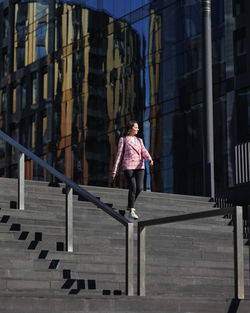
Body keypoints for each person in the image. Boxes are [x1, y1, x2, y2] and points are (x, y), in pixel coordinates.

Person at [112, 120, 153, 220]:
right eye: (136, 128)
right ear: (130, 129)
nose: (138, 129)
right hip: (128, 166)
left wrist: (149, 159)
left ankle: (130, 204)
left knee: (139, 188)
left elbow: (144, 151)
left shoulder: (139, 140)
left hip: (140, 166)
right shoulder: (123, 139)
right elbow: (119, 155)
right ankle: (131, 210)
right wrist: (114, 170)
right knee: (133, 187)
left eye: (138, 127)